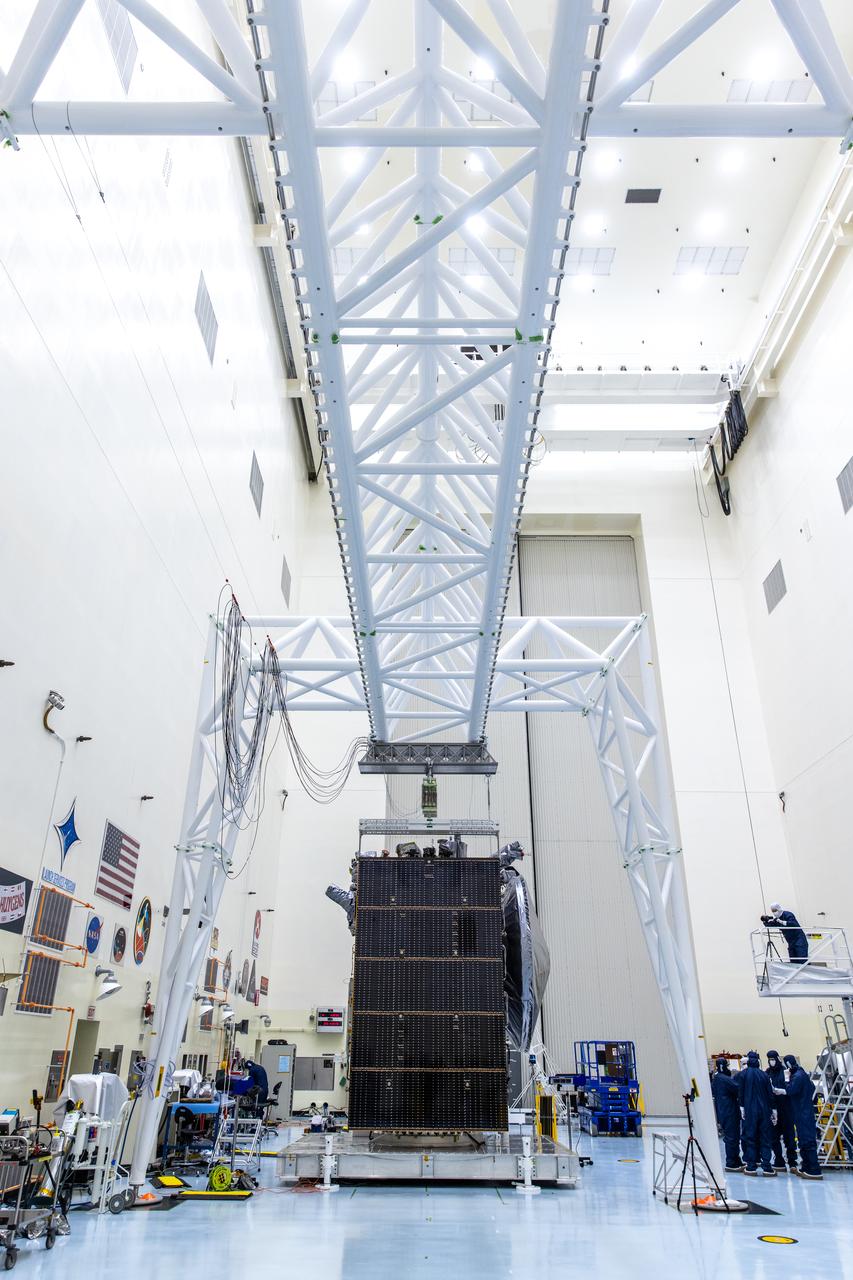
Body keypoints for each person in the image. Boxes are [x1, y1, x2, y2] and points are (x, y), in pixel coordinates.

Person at [773, 1055, 823, 1179]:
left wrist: (785, 1080)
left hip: (803, 1113)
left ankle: (814, 1170)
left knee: (807, 1141)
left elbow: (791, 1090)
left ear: (788, 1064)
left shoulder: (798, 1076)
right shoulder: (802, 1075)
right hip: (802, 1112)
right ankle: (806, 1167)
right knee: (803, 1141)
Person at [735, 1050, 777, 1175]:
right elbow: (770, 1094)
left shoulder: (743, 1075)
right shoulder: (764, 1075)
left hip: (749, 1111)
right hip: (764, 1111)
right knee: (765, 1138)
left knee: (750, 1138)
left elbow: (740, 1093)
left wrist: (742, 1108)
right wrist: (773, 1110)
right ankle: (767, 1167)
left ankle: (751, 1166)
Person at [766, 1049, 797, 1172]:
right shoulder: (767, 1073)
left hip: (786, 1109)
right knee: (774, 1137)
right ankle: (779, 1160)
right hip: (774, 1109)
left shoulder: (785, 1072)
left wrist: (781, 1091)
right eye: (769, 1059)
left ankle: (792, 1161)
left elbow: (790, 1087)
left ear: (777, 1059)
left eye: (773, 1059)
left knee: (789, 1137)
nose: (771, 1061)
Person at [710, 1058, 742, 1172]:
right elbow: (738, 1088)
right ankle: (731, 1163)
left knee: (732, 1137)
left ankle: (736, 1160)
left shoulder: (716, 1079)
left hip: (723, 1111)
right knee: (732, 1137)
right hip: (730, 1112)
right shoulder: (724, 1079)